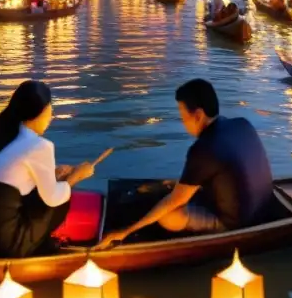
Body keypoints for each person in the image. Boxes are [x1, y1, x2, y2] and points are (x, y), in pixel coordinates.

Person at [97, 79, 273, 247]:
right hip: (264, 205)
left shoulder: (204, 148)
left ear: (197, 115)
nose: (183, 123)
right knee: (171, 189)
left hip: (236, 223)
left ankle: (192, 238)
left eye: (183, 116)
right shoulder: (242, 123)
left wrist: (125, 232)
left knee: (168, 216)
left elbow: (173, 202)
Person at [0, 80, 96, 257]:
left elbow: (11, 173)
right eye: (49, 110)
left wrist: (52, 173)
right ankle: (35, 246)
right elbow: (53, 198)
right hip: (3, 245)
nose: (51, 116)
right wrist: (76, 176)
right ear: (39, 114)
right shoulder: (40, 146)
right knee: (62, 198)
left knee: (50, 187)